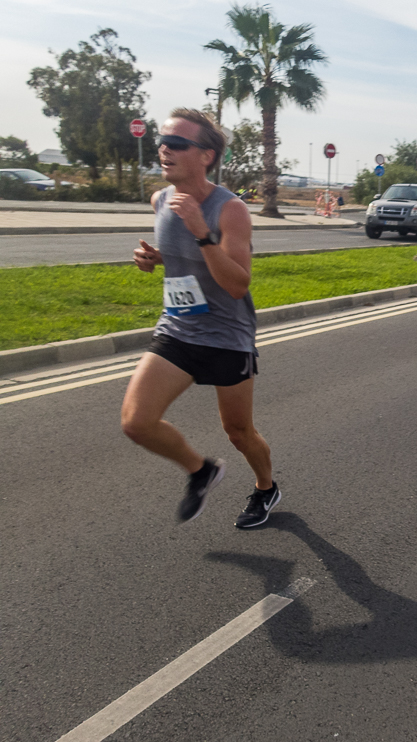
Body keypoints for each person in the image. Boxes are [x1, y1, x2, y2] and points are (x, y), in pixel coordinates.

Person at [121, 108, 281, 529]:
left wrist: (200, 231)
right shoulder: (159, 200)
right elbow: (180, 262)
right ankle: (200, 470)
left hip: (228, 336)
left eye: (176, 143)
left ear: (206, 155)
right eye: (162, 141)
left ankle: (266, 487)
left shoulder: (229, 211)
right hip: (178, 328)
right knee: (136, 423)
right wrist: (152, 260)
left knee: (238, 432)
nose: (164, 149)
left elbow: (237, 284)